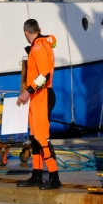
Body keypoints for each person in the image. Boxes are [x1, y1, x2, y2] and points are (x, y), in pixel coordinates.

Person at [16, 19, 61, 190]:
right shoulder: (43, 43)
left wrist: (27, 91)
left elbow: (45, 75)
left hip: (42, 96)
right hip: (37, 98)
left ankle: (54, 177)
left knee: (43, 138)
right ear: (38, 29)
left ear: (26, 33)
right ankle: (36, 175)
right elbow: (53, 40)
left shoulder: (38, 47)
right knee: (35, 138)